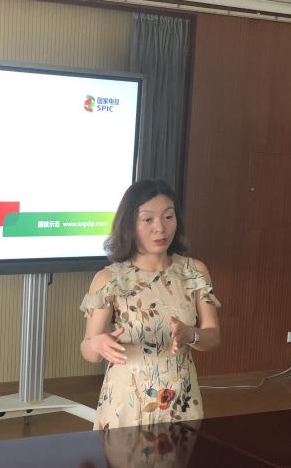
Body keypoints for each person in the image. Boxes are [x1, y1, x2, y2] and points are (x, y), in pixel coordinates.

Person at [80, 179, 220, 429]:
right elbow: (88, 350)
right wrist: (98, 344)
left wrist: (191, 334)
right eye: (148, 219)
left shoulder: (194, 272)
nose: (160, 228)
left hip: (180, 399)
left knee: (181, 455)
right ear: (129, 225)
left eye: (168, 217)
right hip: (125, 401)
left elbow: (213, 337)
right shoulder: (109, 279)